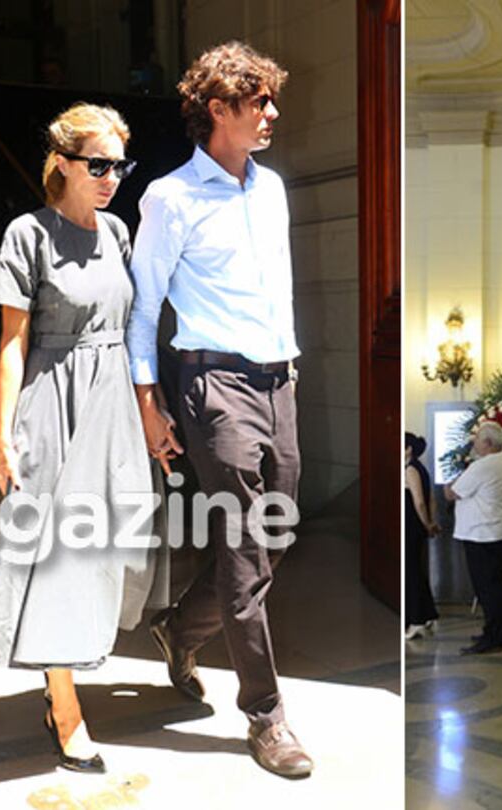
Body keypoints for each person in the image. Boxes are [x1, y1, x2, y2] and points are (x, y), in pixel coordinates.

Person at [127, 41, 313, 779]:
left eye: (272, 99)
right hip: (215, 388)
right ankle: (266, 718)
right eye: (257, 101)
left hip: (280, 384)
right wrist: (150, 400)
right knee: (243, 549)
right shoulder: (170, 197)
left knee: (276, 537)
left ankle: (180, 628)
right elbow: (145, 310)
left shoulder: (270, 190)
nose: (271, 113)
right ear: (217, 109)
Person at [0, 102, 160, 774]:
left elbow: (133, 324)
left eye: (120, 164)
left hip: (113, 398)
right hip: (54, 401)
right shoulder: (27, 234)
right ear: (62, 162)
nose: (112, 176)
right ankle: (64, 705)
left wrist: (151, 405)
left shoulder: (117, 232)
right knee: (59, 552)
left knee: (109, 544)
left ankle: (71, 673)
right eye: (99, 164)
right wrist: (3, 434)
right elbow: (12, 342)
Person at [444, 422, 502, 655]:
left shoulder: (483, 466)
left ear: (487, 443)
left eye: (476, 439)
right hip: (498, 530)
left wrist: (450, 482)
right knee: (496, 584)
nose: (473, 443)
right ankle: (498, 631)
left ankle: (493, 636)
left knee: (487, 587)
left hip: (481, 534)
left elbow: (452, 492)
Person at [404, 432, 440, 640]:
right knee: (416, 570)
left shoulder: (410, 469)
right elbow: (431, 500)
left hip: (412, 526)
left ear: (408, 449)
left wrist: (427, 524)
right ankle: (427, 614)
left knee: (411, 573)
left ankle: (416, 619)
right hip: (418, 526)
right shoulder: (421, 468)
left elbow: (419, 501)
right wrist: (431, 523)